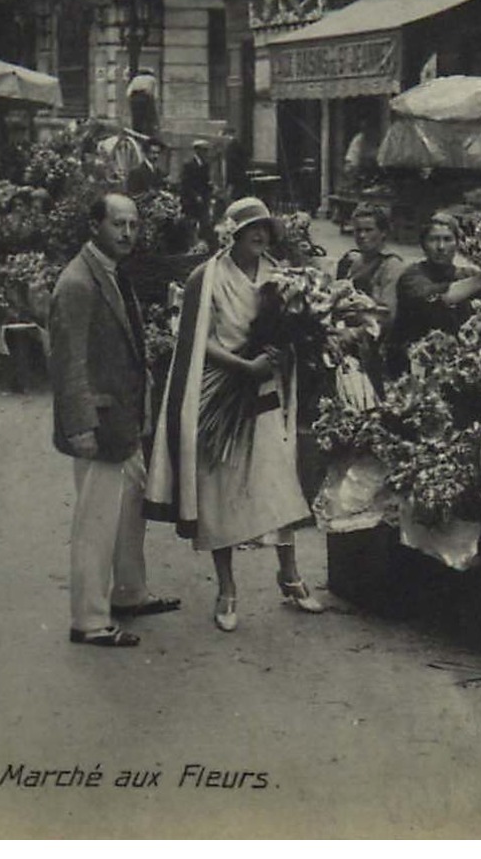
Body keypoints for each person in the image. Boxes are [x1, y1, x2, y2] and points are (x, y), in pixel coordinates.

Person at [146, 196, 325, 633]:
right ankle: (226, 589)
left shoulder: (282, 277)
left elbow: (294, 331)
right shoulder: (205, 278)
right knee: (218, 492)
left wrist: (281, 354)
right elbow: (195, 337)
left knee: (278, 484)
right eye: (251, 230)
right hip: (219, 390)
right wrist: (242, 366)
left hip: (265, 390)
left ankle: (291, 575)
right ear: (233, 234)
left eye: (265, 228)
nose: (260, 236)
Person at [47, 194, 179, 647]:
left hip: (123, 419)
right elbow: (69, 361)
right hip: (99, 422)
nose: (127, 233)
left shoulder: (110, 273)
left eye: (133, 225)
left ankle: (129, 592)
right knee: (96, 522)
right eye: (118, 224)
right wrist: (80, 425)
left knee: (130, 510)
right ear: (94, 225)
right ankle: (89, 620)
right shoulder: (78, 283)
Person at [388, 212, 481, 376]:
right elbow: (437, 297)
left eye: (448, 239)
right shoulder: (412, 276)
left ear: (457, 243)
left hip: (457, 364)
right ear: (423, 244)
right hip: (411, 366)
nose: (441, 247)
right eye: (434, 239)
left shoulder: (467, 275)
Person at [179, 141, 214, 236]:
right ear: (197, 151)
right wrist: (195, 195)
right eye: (203, 150)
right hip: (190, 200)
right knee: (191, 224)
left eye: (206, 150)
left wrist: (210, 188)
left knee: (204, 223)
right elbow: (186, 184)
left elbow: (206, 181)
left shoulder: (206, 165)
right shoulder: (188, 165)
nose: (205, 153)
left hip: (203, 200)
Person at [222, 126, 252, 205]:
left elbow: (235, 165)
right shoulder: (230, 147)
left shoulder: (234, 147)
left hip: (235, 180)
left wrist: (230, 183)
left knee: (235, 200)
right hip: (234, 180)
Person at [126, 68, 159, 138]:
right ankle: (148, 136)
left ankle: (136, 135)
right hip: (145, 98)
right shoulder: (152, 79)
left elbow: (128, 93)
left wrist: (132, 100)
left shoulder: (136, 79)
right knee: (148, 119)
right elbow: (155, 94)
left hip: (134, 98)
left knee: (136, 120)